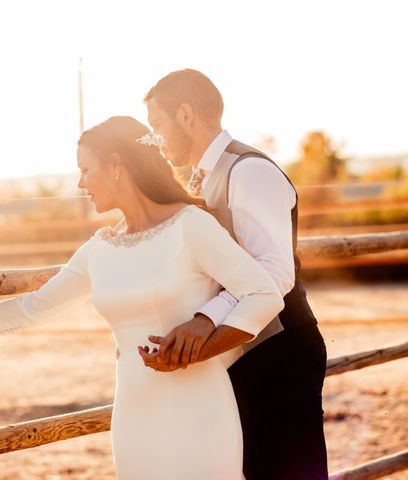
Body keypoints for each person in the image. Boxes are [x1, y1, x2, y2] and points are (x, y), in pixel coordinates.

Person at [0, 116, 284, 479]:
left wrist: (202, 345)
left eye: (85, 169)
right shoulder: (98, 250)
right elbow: (31, 308)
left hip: (200, 408)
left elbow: (264, 293)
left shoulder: (191, 226)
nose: (81, 183)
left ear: (116, 165)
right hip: (134, 413)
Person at [139, 68, 328, 480]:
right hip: (244, 352)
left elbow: (273, 274)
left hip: (279, 351)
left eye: (157, 125)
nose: (155, 138)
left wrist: (204, 319)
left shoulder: (248, 172)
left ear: (185, 116)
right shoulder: (201, 177)